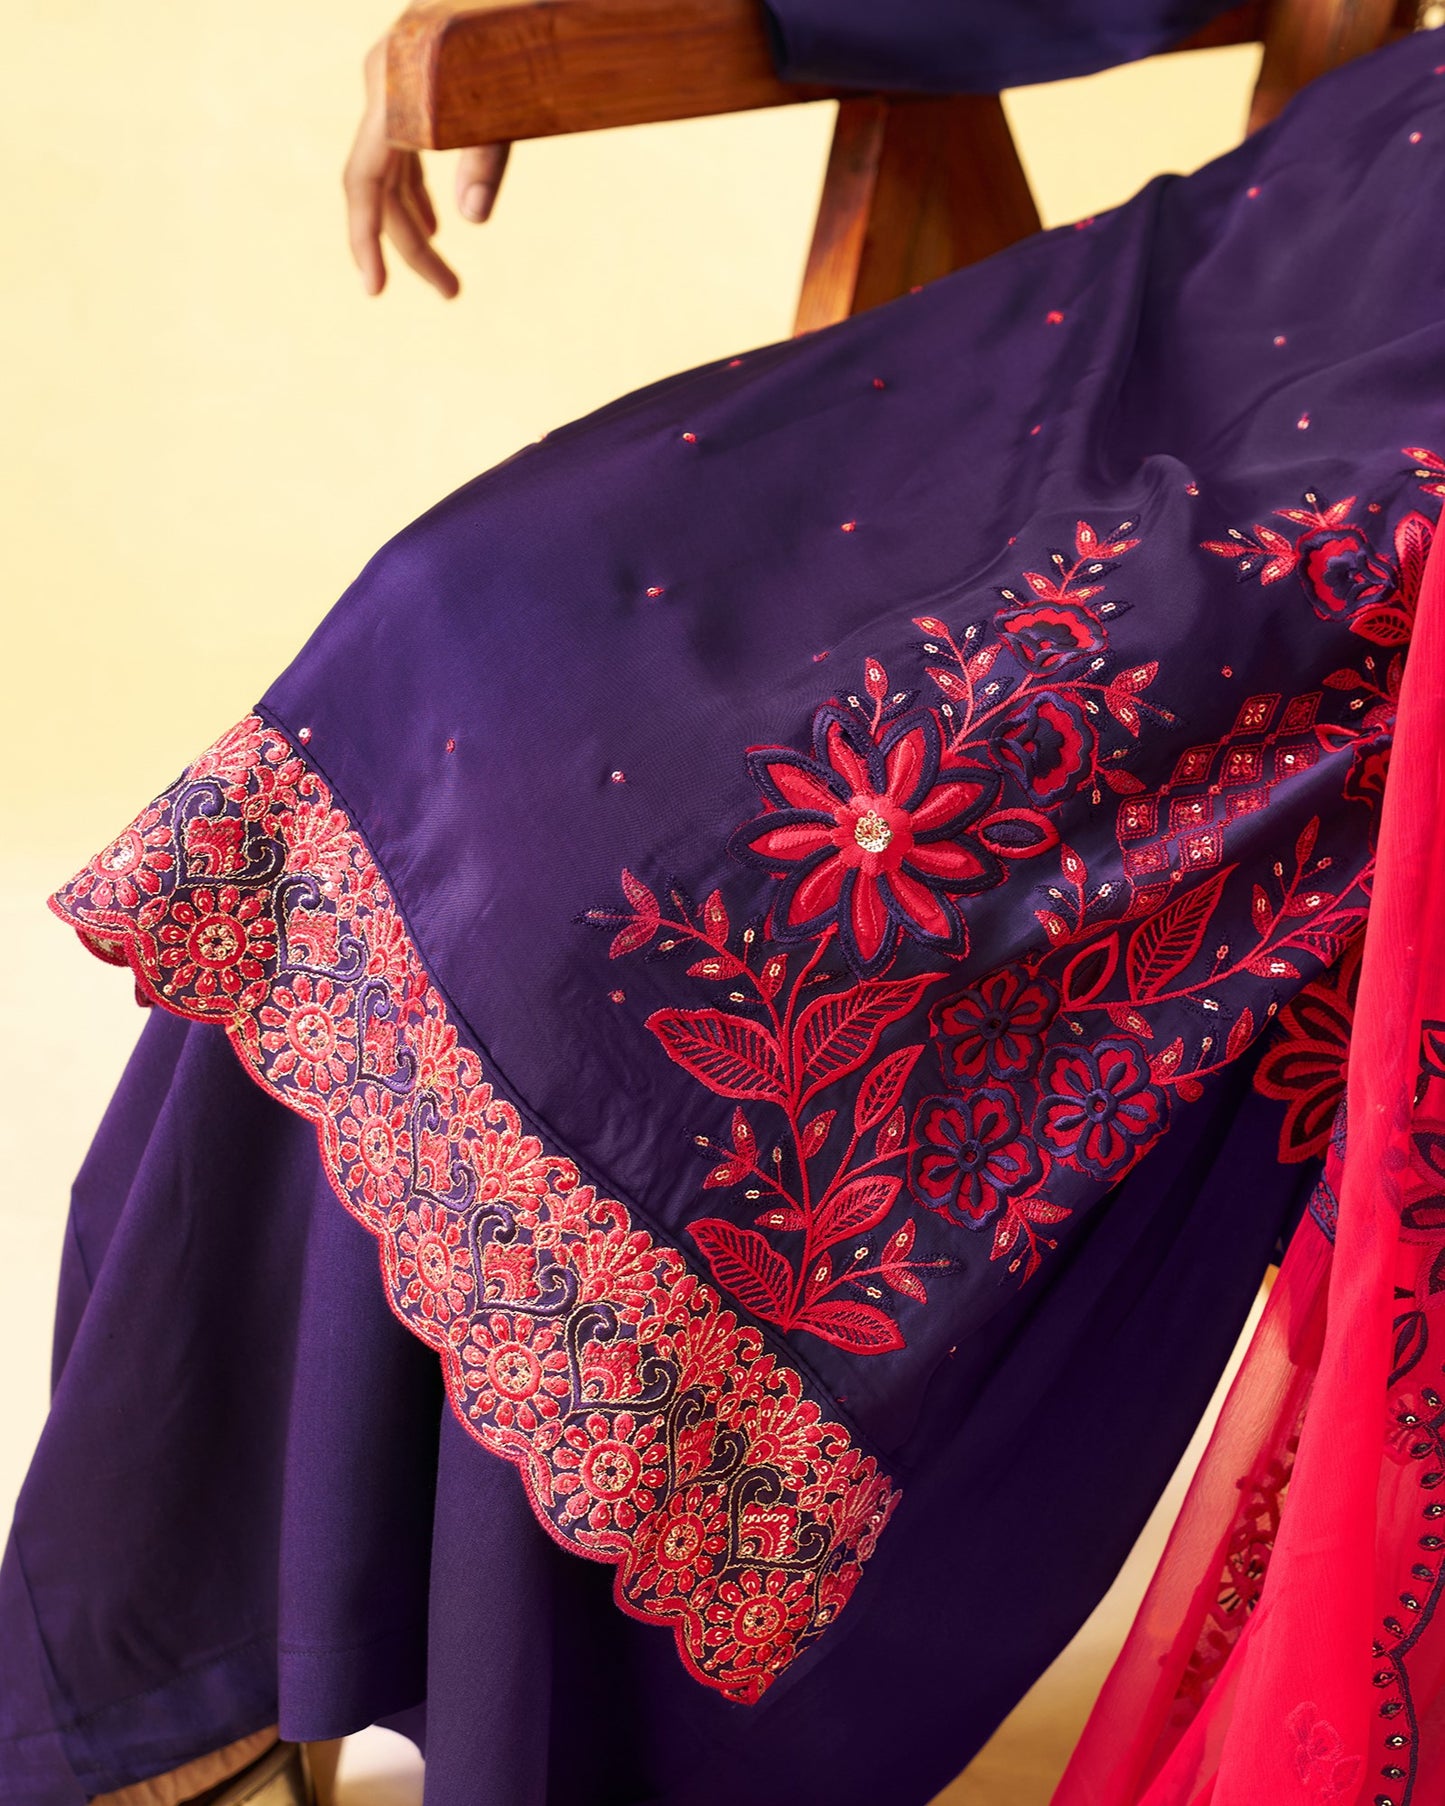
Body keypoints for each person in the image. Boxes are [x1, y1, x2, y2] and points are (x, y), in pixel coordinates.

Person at [4, 7, 1445, 1805]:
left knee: (694, 901)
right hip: (1315, 239)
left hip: (1389, 483)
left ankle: (515, 1719)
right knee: (462, 620)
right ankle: (189, 1641)